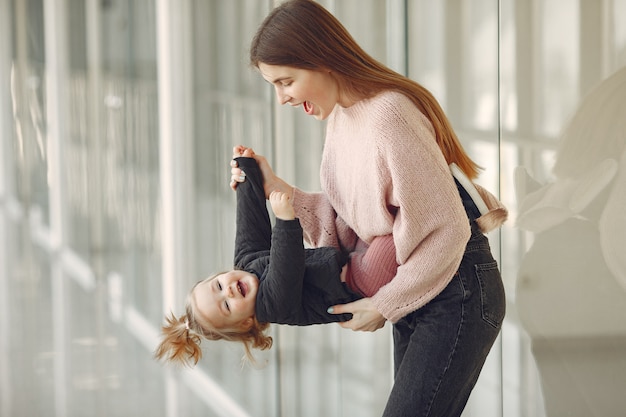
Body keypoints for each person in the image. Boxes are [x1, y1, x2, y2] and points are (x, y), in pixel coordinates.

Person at [230, 1, 508, 416]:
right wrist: (275, 187)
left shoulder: (389, 115)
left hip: (457, 287)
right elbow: (355, 225)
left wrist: (384, 304)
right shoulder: (344, 120)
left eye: (286, 82)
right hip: (422, 284)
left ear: (319, 59)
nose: (282, 98)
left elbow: (448, 228)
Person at [154, 154, 398, 367]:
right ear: (245, 322)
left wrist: (246, 172)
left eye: (218, 286)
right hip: (361, 283)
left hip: (349, 253)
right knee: (395, 236)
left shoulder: (247, 267)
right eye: (226, 305)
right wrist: (284, 221)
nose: (227, 291)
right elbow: (285, 270)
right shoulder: (271, 307)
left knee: (368, 205)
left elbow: (250, 227)